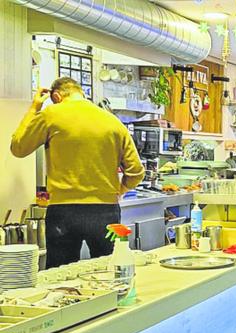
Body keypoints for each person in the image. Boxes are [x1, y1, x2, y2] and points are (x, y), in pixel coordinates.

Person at [11, 77, 145, 268]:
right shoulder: (112, 121)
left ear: (56, 96)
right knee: (109, 270)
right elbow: (136, 171)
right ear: (81, 93)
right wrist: (120, 189)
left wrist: (34, 108)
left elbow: (18, 147)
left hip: (64, 211)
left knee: (60, 277)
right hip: (105, 211)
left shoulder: (51, 114)